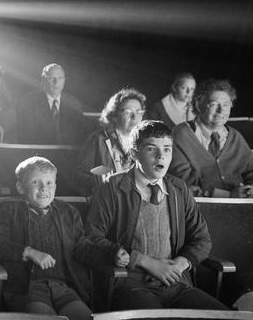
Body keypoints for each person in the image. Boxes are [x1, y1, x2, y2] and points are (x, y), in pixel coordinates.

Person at [75, 120, 227, 311]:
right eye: (151, 149)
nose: (160, 156)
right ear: (133, 153)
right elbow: (91, 238)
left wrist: (179, 265)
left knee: (224, 316)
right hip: (130, 284)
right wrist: (143, 261)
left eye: (167, 149)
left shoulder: (179, 188)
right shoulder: (112, 187)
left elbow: (202, 239)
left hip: (175, 282)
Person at [0, 157, 92, 320]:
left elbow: (82, 246)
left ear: (55, 186)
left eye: (49, 183)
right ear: (21, 187)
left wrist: (112, 253)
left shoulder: (69, 212)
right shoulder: (11, 211)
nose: (44, 188)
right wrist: (28, 252)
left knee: (84, 317)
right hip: (27, 288)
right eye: (35, 183)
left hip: (64, 287)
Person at [169, 79, 253, 198]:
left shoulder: (235, 136)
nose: (220, 111)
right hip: (200, 209)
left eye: (226, 105)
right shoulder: (181, 134)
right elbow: (183, 182)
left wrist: (250, 190)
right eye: (213, 104)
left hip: (240, 207)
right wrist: (228, 195)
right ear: (198, 104)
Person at [74, 88, 146, 197]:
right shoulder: (98, 139)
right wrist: (100, 182)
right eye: (127, 112)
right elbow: (79, 176)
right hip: (106, 200)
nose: (134, 117)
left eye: (138, 112)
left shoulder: (146, 142)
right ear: (114, 115)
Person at [17, 63, 86, 145]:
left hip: (68, 154)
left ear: (64, 80)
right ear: (43, 80)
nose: (56, 82)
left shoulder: (74, 103)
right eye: (51, 78)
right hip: (38, 153)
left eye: (60, 78)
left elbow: (79, 135)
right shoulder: (28, 102)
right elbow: (25, 136)